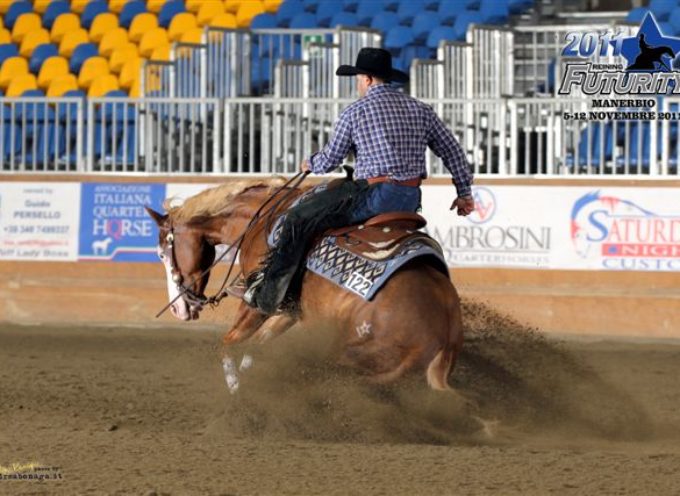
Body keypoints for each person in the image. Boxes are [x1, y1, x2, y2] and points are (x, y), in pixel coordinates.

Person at [242, 47, 474, 315]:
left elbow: (331, 159)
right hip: (409, 198)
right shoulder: (421, 110)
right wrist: (464, 193)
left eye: (358, 79)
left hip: (373, 196)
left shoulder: (355, 112)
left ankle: (270, 298)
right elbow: (453, 151)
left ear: (366, 79)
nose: (357, 84)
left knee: (297, 219)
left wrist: (310, 163)